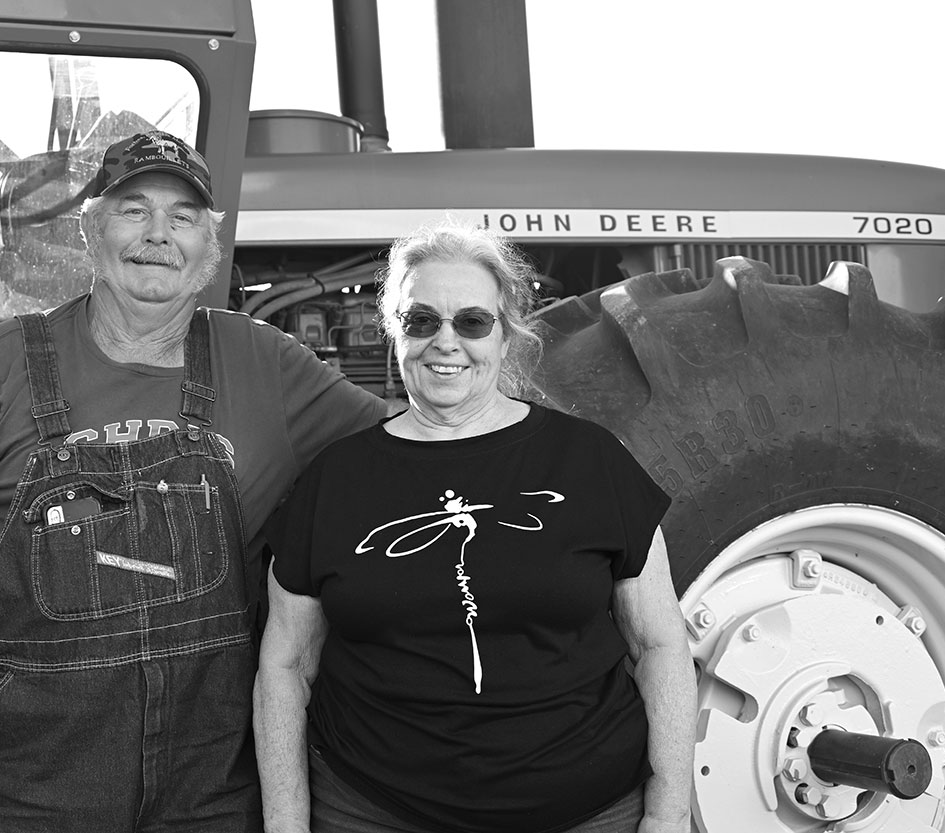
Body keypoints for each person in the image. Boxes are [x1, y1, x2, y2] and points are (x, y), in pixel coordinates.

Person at [0, 131, 389, 833]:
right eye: (132, 209)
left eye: (182, 217)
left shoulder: (267, 360)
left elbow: (420, 441)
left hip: (209, 780)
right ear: (90, 231)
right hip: (32, 780)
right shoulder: (5, 361)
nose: (158, 234)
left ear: (211, 245)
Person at [255, 223, 697, 833]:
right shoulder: (335, 479)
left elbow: (660, 642)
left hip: (585, 810)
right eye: (420, 321)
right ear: (394, 331)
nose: (446, 342)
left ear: (506, 331)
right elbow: (284, 665)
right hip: (376, 809)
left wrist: (670, 812)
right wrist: (285, 825)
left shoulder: (589, 461)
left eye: (471, 322)